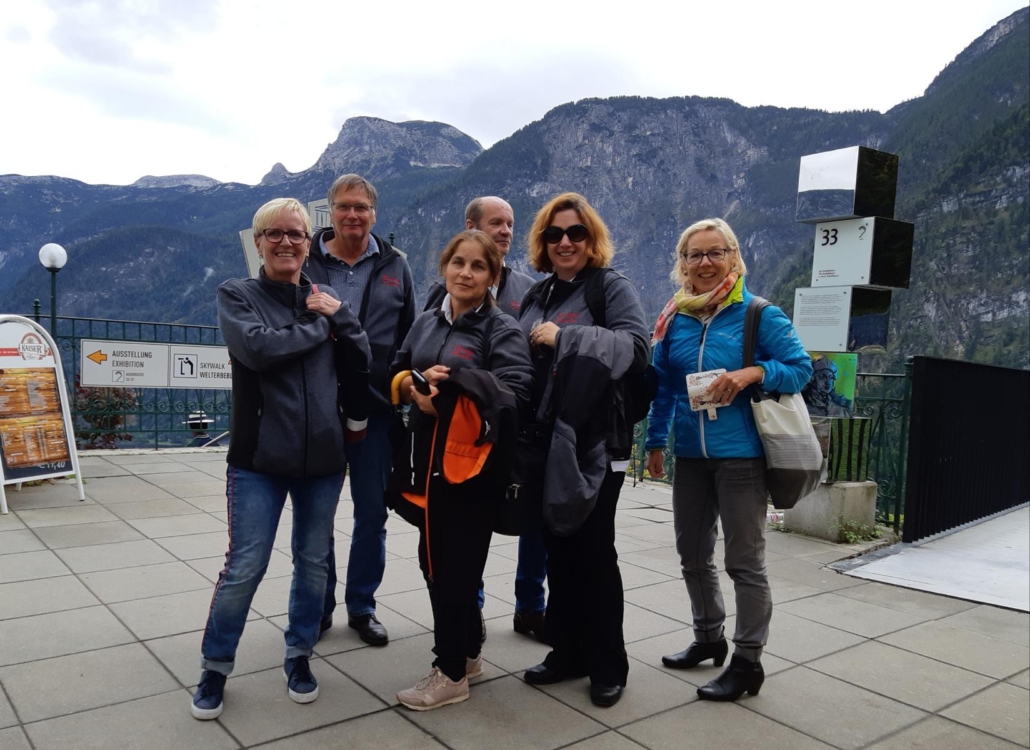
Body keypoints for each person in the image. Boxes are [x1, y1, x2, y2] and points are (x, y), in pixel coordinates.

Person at [192, 198, 371, 720]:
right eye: (274, 233)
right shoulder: (237, 294)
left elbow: (359, 355)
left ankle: (299, 655)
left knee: (313, 564)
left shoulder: (326, 299)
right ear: (259, 242)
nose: (286, 242)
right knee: (245, 565)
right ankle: (215, 665)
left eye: (296, 234)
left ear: (308, 244)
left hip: (323, 458)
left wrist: (343, 320)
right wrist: (322, 326)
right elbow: (258, 350)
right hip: (258, 460)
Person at [645, 218, 812, 702]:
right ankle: (708, 638)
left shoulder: (758, 313)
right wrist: (655, 442)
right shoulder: (675, 318)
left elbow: (800, 369)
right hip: (691, 456)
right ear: (682, 263)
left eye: (715, 252)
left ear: (733, 256)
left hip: (743, 456)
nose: (705, 262)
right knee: (692, 555)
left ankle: (747, 662)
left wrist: (752, 373)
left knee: (744, 562)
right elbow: (664, 387)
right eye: (694, 254)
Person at [390, 229, 533, 710]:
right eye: (458, 262)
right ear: (444, 266)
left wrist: (448, 396)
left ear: (493, 277)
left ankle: (449, 673)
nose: (466, 273)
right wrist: (412, 387)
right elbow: (398, 370)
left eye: (478, 266)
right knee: (436, 561)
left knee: (454, 568)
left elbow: (515, 393)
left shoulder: (501, 328)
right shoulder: (427, 321)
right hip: (426, 460)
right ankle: (468, 654)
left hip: (472, 468)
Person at [518, 193, 649, 708]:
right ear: (543, 243)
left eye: (575, 232)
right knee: (559, 548)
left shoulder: (610, 287)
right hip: (547, 440)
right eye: (554, 234)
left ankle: (608, 663)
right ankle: (567, 651)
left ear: (591, 238)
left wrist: (566, 337)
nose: (565, 242)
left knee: (594, 551)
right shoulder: (540, 293)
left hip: (595, 442)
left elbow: (636, 350)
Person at [424, 196, 546, 642]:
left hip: (517, 425)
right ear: (471, 225)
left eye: (510, 224)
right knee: (464, 535)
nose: (506, 231)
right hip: (459, 436)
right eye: (496, 223)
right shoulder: (442, 295)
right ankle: (469, 614)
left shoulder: (529, 289)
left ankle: (530, 606)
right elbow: (423, 352)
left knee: (527, 520)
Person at [306, 174, 417, 647]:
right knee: (318, 515)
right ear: (330, 211)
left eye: (362, 207)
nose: (353, 215)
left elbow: (410, 336)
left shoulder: (396, 266)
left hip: (375, 410)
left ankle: (362, 606)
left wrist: (402, 386)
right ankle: (319, 606)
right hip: (316, 409)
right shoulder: (305, 260)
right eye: (344, 206)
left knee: (372, 513)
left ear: (374, 213)